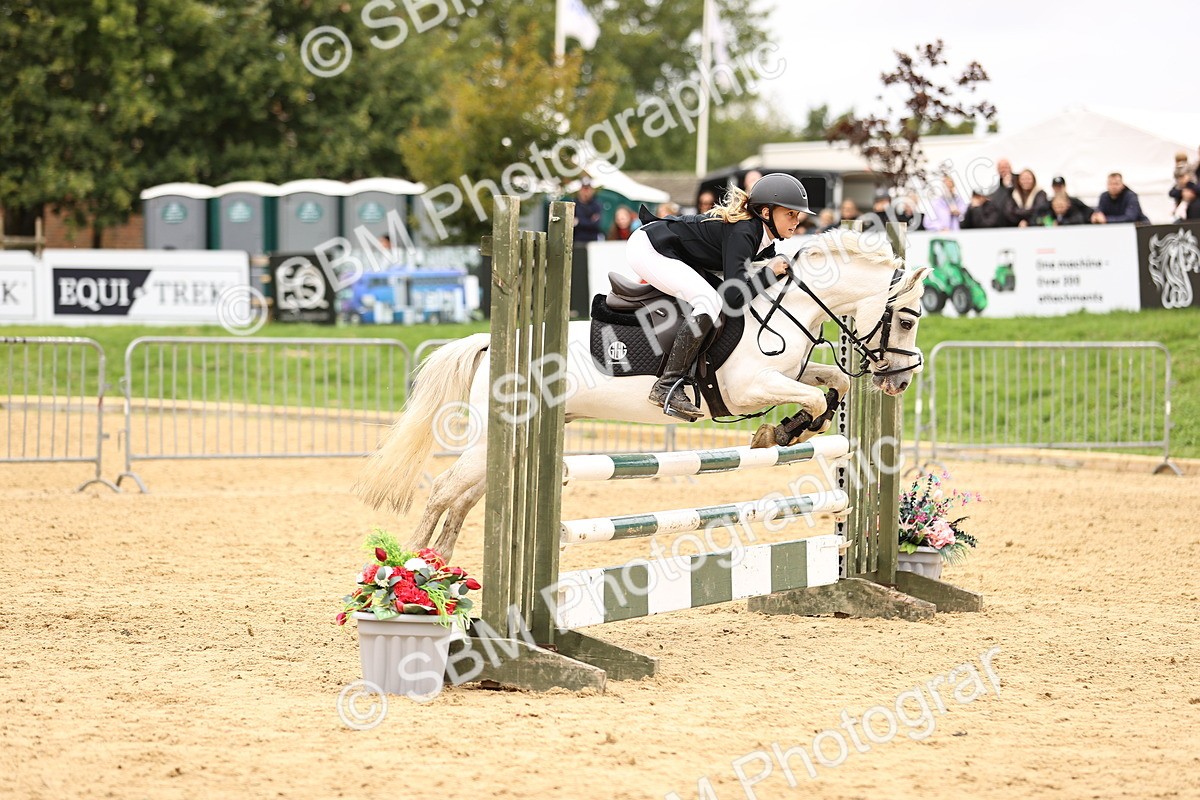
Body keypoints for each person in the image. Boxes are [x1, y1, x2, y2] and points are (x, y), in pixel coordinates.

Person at [628, 173, 815, 420]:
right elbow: (734, 298)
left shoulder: (762, 240)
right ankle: (666, 385)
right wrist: (769, 274)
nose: (797, 220)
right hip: (650, 248)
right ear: (766, 213)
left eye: (798, 215)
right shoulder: (744, 232)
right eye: (790, 213)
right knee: (709, 301)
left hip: (671, 250)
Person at [572, 178, 604, 244]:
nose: (586, 192)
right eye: (584, 189)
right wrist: (589, 221)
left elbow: (596, 224)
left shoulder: (596, 205)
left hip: (592, 241)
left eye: (588, 189)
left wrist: (578, 222)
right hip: (576, 241)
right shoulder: (573, 204)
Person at [989, 158, 1017, 225]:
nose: (1003, 170)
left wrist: (1009, 186)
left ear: (1010, 168)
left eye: (1005, 167)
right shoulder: (996, 187)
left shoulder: (1019, 180)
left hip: (1016, 221)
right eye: (1001, 168)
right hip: (1002, 223)